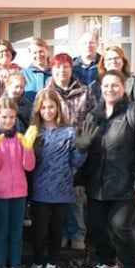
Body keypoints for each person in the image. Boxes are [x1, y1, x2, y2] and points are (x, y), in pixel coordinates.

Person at [76, 69, 135, 268]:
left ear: (123, 87)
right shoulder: (93, 115)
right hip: (97, 183)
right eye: (106, 85)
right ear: (100, 89)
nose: (110, 89)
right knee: (94, 225)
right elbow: (87, 152)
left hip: (126, 183)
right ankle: (107, 260)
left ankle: (132, 267)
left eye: (115, 85)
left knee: (120, 225)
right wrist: (79, 179)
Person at [26, 89, 92, 268]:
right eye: (44, 107)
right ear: (38, 109)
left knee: (56, 232)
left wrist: (82, 149)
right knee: (39, 232)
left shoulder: (69, 132)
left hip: (62, 190)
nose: (47, 111)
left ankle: (51, 266)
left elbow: (75, 162)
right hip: (40, 190)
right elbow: (27, 165)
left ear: (58, 108)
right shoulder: (33, 132)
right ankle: (37, 264)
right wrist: (31, 153)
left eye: (51, 107)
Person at [43, 53, 97, 250]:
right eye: (57, 67)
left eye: (65, 67)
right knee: (59, 194)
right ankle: (63, 233)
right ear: (52, 70)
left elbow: (93, 117)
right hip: (54, 150)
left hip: (77, 148)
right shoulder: (46, 92)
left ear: (71, 69)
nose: (61, 71)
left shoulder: (85, 92)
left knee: (75, 194)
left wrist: (85, 140)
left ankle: (77, 234)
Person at [0, 97, 37, 268]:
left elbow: (28, 166)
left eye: (12, 117)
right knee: (2, 233)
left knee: (17, 233)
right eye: (4, 117)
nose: (8, 121)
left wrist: (28, 147)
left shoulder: (20, 138)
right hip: (0, 193)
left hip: (19, 193)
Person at [90, 46, 135, 113]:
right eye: (109, 59)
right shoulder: (94, 86)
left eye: (117, 58)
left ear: (123, 61)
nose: (113, 61)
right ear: (103, 63)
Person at [22, 38, 52, 102]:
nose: (38, 55)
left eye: (41, 51)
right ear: (30, 54)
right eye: (35, 52)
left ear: (47, 51)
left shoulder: (56, 73)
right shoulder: (23, 74)